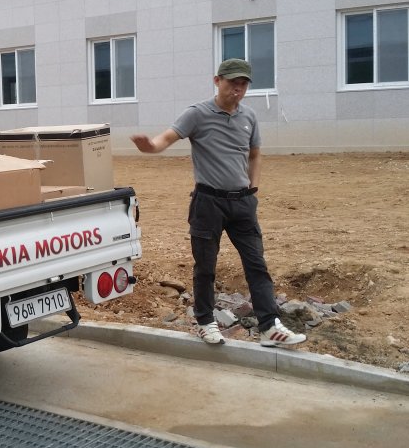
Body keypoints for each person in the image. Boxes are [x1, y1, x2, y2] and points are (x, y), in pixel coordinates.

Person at [130, 59, 306, 348]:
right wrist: (150, 147)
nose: (238, 89)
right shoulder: (197, 114)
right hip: (208, 203)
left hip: (242, 204)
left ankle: (269, 327)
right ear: (217, 81)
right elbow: (166, 138)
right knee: (206, 266)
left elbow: (255, 154)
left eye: (243, 84)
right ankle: (205, 322)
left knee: (257, 265)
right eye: (232, 83)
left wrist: (253, 188)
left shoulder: (249, 116)